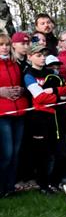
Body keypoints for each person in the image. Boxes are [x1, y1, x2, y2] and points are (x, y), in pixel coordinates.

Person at [23, 43, 66, 193]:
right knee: (42, 154)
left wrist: (54, 90)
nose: (42, 58)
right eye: (38, 55)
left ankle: (54, 182)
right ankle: (43, 185)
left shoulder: (50, 72)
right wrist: (58, 96)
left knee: (60, 152)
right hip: (38, 119)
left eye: (43, 55)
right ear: (30, 57)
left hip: (55, 118)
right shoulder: (28, 74)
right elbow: (39, 97)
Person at [0, 33, 29, 197]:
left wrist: (21, 90)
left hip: (19, 111)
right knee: (7, 152)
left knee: (16, 153)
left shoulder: (14, 64)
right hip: (2, 113)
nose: (4, 47)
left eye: (6, 44)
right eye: (1, 44)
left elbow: (21, 84)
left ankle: (10, 188)